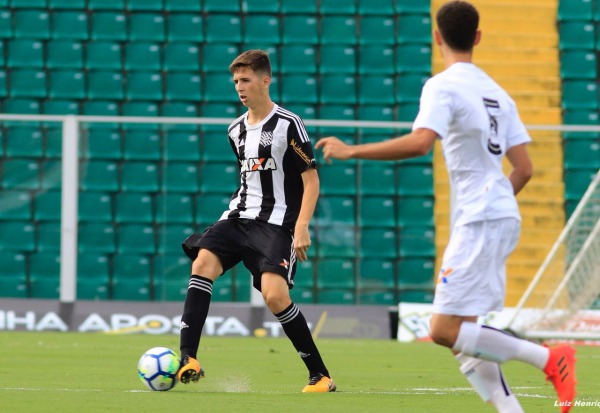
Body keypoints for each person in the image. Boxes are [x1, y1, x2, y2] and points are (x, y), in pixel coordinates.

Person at [315, 1, 576, 411]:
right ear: (477, 37)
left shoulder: (443, 85)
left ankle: (549, 358)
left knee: (442, 329)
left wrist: (352, 151)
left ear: (437, 37)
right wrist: (495, 201)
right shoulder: (498, 94)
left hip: (481, 217)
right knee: (465, 336)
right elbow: (523, 169)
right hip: (500, 213)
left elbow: (421, 142)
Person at [176, 49, 335, 393]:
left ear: (266, 80)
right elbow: (248, 179)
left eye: (245, 80)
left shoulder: (288, 124)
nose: (239, 87)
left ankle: (320, 375)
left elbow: (311, 179)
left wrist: (303, 226)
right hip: (238, 215)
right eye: (235, 81)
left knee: (275, 296)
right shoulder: (235, 130)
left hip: (277, 224)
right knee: (202, 263)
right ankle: (188, 357)